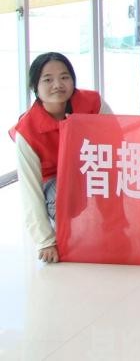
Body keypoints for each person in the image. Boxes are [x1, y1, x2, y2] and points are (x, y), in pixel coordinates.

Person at [10, 53, 109, 263]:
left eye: (65, 77)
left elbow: (116, 141)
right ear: (35, 87)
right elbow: (30, 189)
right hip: (56, 181)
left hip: (91, 167)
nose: (57, 85)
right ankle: (66, 227)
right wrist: (45, 241)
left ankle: (113, 224)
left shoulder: (92, 102)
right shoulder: (26, 132)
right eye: (48, 79)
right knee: (59, 199)